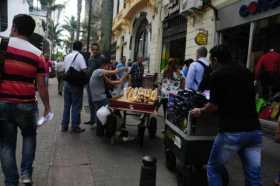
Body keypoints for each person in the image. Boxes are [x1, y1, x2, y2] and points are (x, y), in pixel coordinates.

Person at [191, 45, 262, 186]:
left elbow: (214, 105)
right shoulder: (246, 72)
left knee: (213, 168)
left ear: (216, 60)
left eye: (211, 61)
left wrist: (201, 111)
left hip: (232, 132)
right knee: (253, 176)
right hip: (254, 131)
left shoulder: (218, 75)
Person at [0, 14, 51, 185]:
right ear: (30, 32)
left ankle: (11, 181)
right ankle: (26, 174)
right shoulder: (38, 54)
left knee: (7, 144)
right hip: (27, 104)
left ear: (14, 27)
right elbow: (41, 85)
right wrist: (47, 106)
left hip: (4, 102)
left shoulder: (2, 46)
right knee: (29, 137)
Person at [89, 56, 125, 137]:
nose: (108, 67)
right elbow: (113, 71)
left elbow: (111, 82)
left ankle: (100, 132)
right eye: (108, 66)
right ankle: (112, 130)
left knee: (99, 115)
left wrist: (121, 81)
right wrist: (122, 68)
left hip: (97, 98)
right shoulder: (98, 71)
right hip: (100, 98)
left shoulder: (100, 74)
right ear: (103, 65)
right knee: (111, 112)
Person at [61, 41, 87, 133]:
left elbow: (64, 69)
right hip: (76, 84)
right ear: (80, 48)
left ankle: (64, 126)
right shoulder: (79, 56)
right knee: (76, 106)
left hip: (67, 83)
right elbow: (84, 69)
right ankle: (75, 126)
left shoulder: (67, 56)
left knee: (66, 106)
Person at [84, 43, 101, 126]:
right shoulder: (90, 59)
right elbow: (88, 70)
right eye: (93, 49)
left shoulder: (99, 59)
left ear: (98, 50)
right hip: (89, 83)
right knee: (90, 102)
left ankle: (98, 121)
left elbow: (91, 70)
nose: (94, 51)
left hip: (97, 84)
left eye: (96, 49)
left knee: (96, 102)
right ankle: (92, 119)